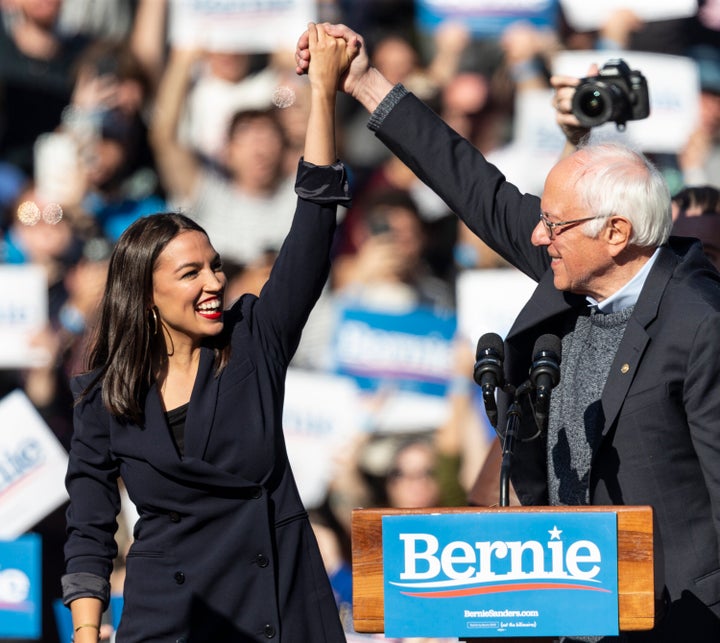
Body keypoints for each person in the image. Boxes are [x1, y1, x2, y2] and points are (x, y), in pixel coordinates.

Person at [296, 23, 720, 642]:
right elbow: (473, 185)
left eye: (555, 224)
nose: (539, 236)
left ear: (617, 234)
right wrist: (364, 83)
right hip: (559, 603)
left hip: (672, 616)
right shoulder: (574, 268)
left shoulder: (700, 321)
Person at [61, 22, 353, 643]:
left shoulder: (256, 338)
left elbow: (314, 221)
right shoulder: (102, 395)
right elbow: (89, 526)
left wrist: (322, 93)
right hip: (168, 622)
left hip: (276, 607)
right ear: (144, 293)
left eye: (215, 265)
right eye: (190, 272)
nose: (213, 282)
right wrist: (88, 633)